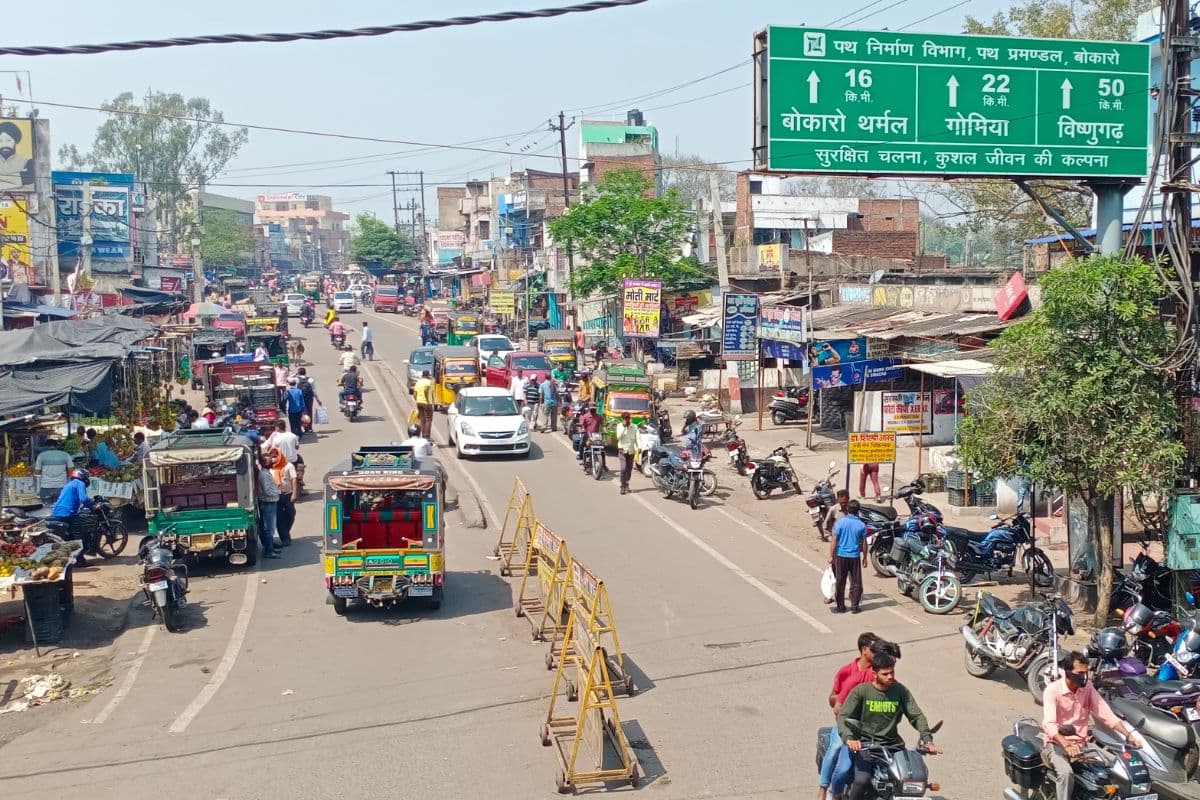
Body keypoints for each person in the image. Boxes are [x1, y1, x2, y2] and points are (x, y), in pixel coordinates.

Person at [1043, 651, 1143, 800]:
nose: (1084, 676)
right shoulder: (1052, 690)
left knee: (1116, 766)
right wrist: (1065, 744)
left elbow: (1105, 713)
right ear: (1068, 672)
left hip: (1082, 744)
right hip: (1056, 744)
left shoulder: (1087, 687)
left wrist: (1129, 736)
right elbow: (1049, 724)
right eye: (1080, 672)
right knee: (1066, 774)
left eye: (1086, 672)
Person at [838, 649, 937, 800]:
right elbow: (844, 716)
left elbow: (916, 715)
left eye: (892, 672)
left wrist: (927, 739)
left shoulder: (900, 691)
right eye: (885, 674)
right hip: (866, 746)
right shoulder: (861, 691)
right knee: (862, 780)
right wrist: (850, 738)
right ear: (874, 674)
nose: (890, 676)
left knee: (909, 778)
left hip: (893, 746)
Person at [818, 632, 882, 800]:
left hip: (868, 727)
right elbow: (832, 699)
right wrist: (842, 703)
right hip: (846, 725)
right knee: (835, 751)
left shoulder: (877, 672)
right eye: (875, 649)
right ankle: (824, 789)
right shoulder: (846, 672)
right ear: (865, 650)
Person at [51, 469, 98, 563]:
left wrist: (90, 500)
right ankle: (80, 560)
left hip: (57, 512)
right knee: (80, 535)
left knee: (71, 534)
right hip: (69, 513)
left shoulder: (70, 484)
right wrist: (93, 507)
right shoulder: (80, 483)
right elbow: (83, 499)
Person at [829, 499, 868, 614]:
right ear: (858, 511)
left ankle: (840, 606)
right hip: (855, 557)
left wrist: (831, 556)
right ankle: (855, 607)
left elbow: (834, 540)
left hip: (841, 556)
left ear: (847, 509)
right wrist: (865, 558)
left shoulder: (840, 523)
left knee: (840, 581)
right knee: (856, 582)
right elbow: (864, 543)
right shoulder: (861, 525)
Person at [271, 448, 298, 548]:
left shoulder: (288, 465)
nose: (273, 458)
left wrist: (294, 493)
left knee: (291, 514)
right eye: (272, 456)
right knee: (279, 518)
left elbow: (294, 479)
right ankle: (285, 538)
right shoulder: (270, 467)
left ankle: (286, 532)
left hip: (287, 494)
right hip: (275, 496)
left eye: (275, 456)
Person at [257, 454, 282, 559]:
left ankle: (270, 547)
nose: (271, 463)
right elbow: (267, 490)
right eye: (268, 461)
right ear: (263, 463)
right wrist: (278, 491)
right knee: (269, 528)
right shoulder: (264, 475)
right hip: (268, 503)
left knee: (269, 527)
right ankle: (269, 551)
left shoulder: (266, 473)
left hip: (270, 503)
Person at [0, 121, 33, 191]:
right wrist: (16, 181)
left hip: (19, 200)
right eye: (0, 141)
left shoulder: (27, 162)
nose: (4, 144)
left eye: (8, 140)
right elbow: (20, 182)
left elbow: (29, 179)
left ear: (16, 141)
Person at [615, 412, 639, 495]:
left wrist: (639, 448)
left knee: (629, 469)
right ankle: (622, 485)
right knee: (623, 468)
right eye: (625, 418)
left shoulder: (634, 427)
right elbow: (618, 437)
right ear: (623, 419)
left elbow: (637, 438)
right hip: (622, 450)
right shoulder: (619, 426)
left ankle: (627, 484)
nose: (627, 420)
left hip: (631, 451)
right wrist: (624, 428)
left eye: (628, 418)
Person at [297, 367, 320, 434]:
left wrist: (295, 374)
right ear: (305, 372)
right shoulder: (310, 380)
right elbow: (314, 391)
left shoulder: (296, 379)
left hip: (300, 399)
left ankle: (305, 428)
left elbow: (288, 379)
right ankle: (310, 427)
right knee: (309, 412)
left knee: (302, 413)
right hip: (309, 398)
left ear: (299, 373)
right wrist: (318, 400)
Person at [413, 369, 435, 439]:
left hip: (419, 402)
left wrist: (417, 399)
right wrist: (428, 400)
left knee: (422, 419)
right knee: (428, 419)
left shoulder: (418, 382)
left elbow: (414, 393)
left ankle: (423, 435)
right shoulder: (430, 382)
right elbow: (426, 390)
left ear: (422, 375)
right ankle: (427, 436)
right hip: (426, 403)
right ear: (428, 375)